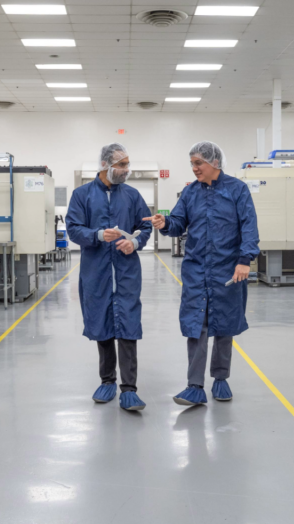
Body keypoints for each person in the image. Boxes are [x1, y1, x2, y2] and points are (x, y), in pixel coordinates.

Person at [144, 142, 259, 406]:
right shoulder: (190, 192)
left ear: (214, 162)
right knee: (197, 325)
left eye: (199, 163)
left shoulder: (237, 190)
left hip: (227, 267)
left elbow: (249, 226)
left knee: (224, 325)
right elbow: (178, 223)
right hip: (196, 269)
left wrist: (244, 260)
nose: (195, 168)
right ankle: (194, 385)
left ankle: (221, 378)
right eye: (192, 164)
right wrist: (165, 223)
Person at [66, 143, 152, 412]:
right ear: (105, 165)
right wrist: (98, 235)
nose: (127, 170)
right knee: (101, 321)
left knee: (128, 323)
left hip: (126, 271)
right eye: (121, 165)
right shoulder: (82, 195)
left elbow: (145, 226)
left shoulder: (132, 195)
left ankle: (129, 389)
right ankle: (107, 381)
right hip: (96, 271)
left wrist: (135, 243)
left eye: (127, 164)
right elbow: (73, 229)